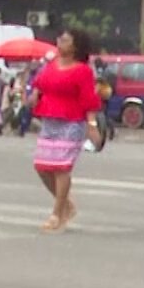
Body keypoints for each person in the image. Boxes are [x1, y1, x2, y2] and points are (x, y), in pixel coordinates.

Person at [28, 28, 103, 232]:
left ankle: (57, 213)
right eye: (60, 38)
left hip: (72, 121)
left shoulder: (83, 70)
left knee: (62, 167)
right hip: (50, 119)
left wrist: (92, 125)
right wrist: (34, 95)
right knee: (42, 166)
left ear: (75, 46)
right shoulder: (51, 65)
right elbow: (40, 83)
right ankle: (66, 204)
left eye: (66, 40)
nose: (60, 42)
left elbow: (89, 99)